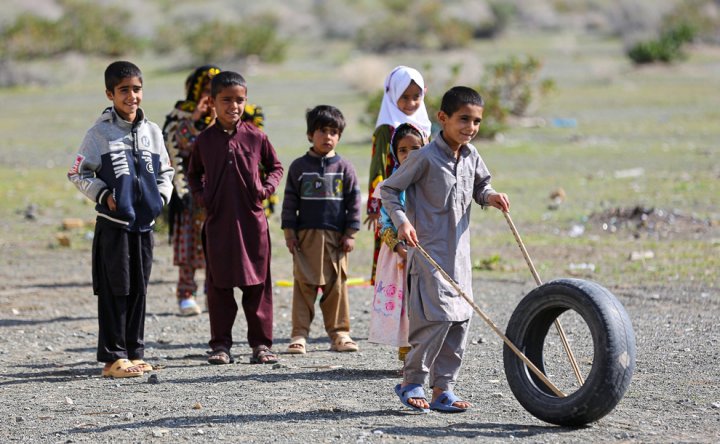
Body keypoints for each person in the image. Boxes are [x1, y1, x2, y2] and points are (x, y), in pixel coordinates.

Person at [381, 86, 510, 413]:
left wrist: (490, 196)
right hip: (427, 255)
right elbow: (389, 189)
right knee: (433, 320)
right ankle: (411, 383)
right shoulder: (424, 157)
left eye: (477, 121)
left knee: (460, 321)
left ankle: (443, 390)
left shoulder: (472, 156)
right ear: (443, 118)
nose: (471, 127)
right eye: (463, 119)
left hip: (460, 257)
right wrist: (401, 223)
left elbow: (481, 185)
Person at [67, 61, 174, 378]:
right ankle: (113, 358)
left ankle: (133, 352)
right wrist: (104, 195)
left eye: (136, 89)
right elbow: (77, 172)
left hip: (144, 227)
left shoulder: (153, 132)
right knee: (116, 290)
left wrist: (160, 199)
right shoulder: (99, 134)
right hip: (114, 227)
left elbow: (166, 172)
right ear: (110, 93)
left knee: (139, 289)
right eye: (124, 90)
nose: (131, 96)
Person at [187, 71, 283, 365]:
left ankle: (261, 345)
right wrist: (203, 198)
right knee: (219, 287)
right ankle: (220, 345)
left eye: (239, 100)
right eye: (226, 100)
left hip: (253, 223)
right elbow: (193, 175)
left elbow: (276, 166)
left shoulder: (256, 136)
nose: (234, 106)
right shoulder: (204, 140)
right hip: (218, 224)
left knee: (258, 286)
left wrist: (265, 189)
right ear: (212, 102)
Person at [281, 105, 362, 355]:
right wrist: (289, 234)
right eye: (322, 131)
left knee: (336, 286)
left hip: (336, 239)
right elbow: (290, 203)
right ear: (309, 135)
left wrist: (350, 233)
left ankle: (340, 334)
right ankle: (299, 335)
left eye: (333, 132)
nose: (328, 137)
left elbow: (354, 203)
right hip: (306, 238)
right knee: (304, 286)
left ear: (339, 136)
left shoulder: (345, 168)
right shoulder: (298, 167)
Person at [163, 65, 221, 316]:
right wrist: (195, 118)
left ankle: (214, 293)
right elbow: (177, 146)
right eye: (205, 90)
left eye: (214, 90)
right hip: (189, 192)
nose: (209, 95)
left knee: (217, 247)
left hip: (218, 194)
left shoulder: (228, 116)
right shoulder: (181, 115)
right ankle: (186, 293)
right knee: (188, 247)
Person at [366, 66, 431, 284]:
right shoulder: (387, 128)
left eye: (416, 97)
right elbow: (377, 166)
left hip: (419, 197)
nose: (411, 103)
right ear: (392, 94)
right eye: (404, 97)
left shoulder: (425, 127)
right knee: (392, 251)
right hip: (391, 198)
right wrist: (375, 206)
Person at [367, 123, 426, 364]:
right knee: (404, 303)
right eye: (403, 150)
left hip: (425, 251)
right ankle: (406, 354)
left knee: (425, 302)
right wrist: (398, 246)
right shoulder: (390, 184)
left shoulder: (429, 183)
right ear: (394, 153)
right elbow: (383, 223)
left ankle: (425, 353)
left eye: (416, 148)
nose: (410, 155)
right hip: (399, 255)